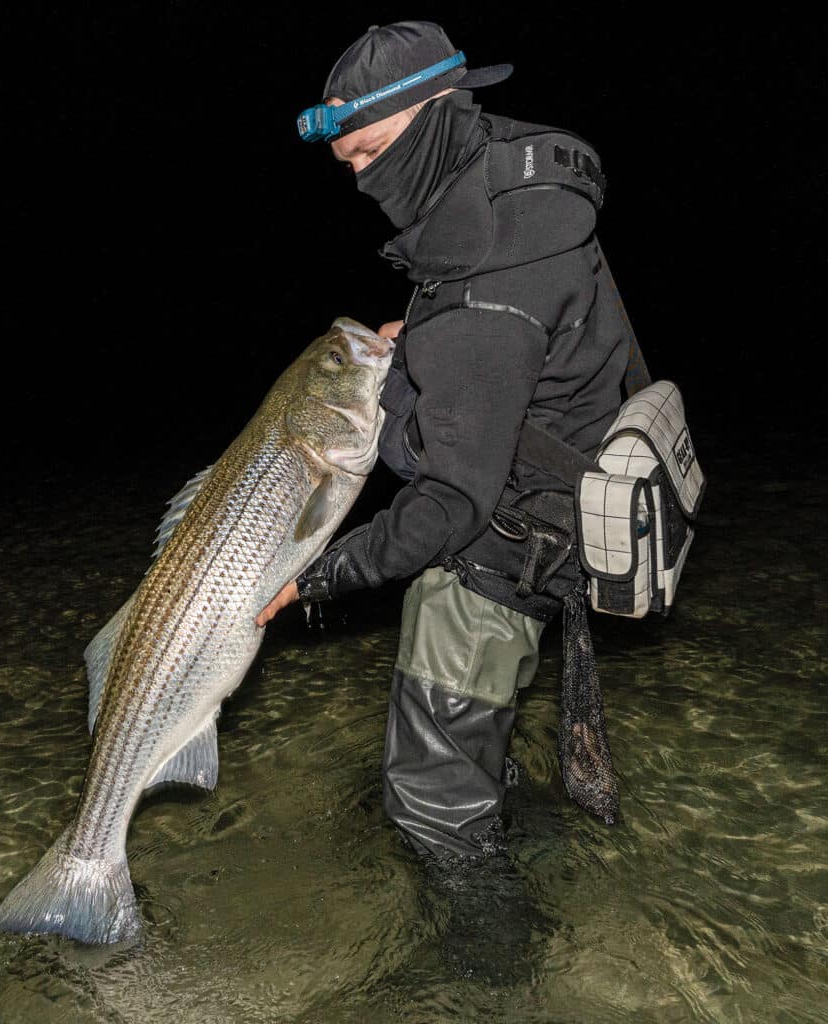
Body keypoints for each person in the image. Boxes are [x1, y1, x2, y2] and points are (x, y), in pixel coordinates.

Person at [257, 21, 630, 864]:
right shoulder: (518, 185)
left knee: (431, 807)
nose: (359, 178)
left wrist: (310, 579)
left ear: (436, 109)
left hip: (502, 547)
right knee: (471, 752)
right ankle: (516, 831)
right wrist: (427, 340)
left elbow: (447, 508)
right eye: (345, 159)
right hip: (568, 489)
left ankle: (479, 971)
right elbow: (520, 344)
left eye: (371, 150)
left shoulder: (485, 295)